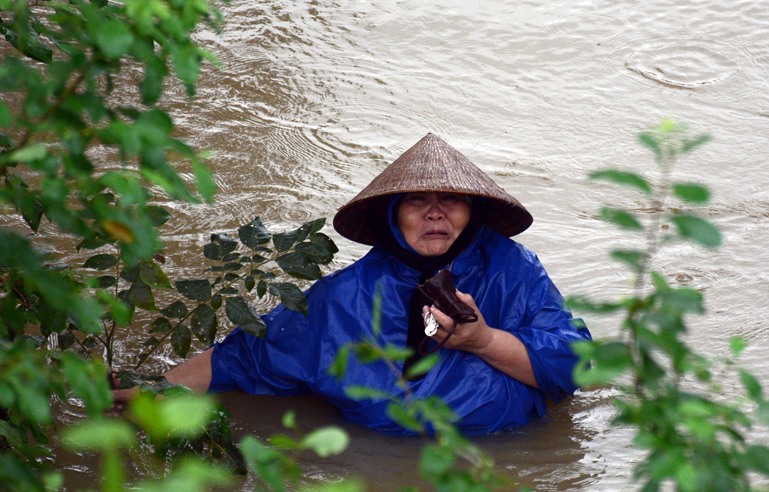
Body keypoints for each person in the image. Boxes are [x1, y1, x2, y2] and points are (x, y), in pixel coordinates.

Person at [125, 133, 590, 435]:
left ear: (472, 213)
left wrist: (483, 341)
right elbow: (240, 358)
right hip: (384, 475)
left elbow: (574, 364)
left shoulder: (514, 270)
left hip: (500, 469)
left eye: (450, 199)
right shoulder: (343, 299)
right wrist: (145, 393)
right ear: (392, 217)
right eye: (416, 201)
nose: (435, 213)